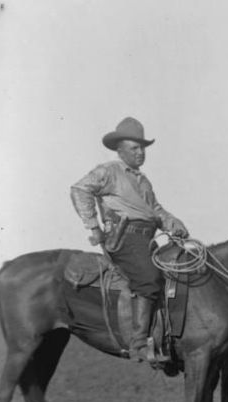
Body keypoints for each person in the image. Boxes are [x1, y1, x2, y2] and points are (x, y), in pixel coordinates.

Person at [70, 117, 188, 364]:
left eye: (143, 148)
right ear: (120, 150)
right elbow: (80, 189)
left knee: (177, 272)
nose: (141, 153)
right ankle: (138, 346)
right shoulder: (108, 171)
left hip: (146, 239)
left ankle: (166, 338)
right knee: (148, 279)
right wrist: (93, 225)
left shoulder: (143, 180)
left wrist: (173, 223)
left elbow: (155, 209)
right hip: (124, 238)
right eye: (134, 148)